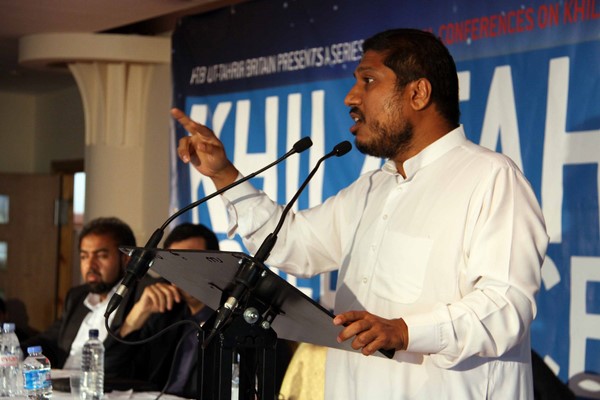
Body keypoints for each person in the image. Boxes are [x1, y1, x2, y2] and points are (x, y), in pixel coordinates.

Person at [172, 28, 549, 399]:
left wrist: (406, 331)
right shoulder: (372, 188)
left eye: (368, 80)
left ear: (418, 93)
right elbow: (290, 245)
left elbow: (506, 308)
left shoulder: (491, 178)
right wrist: (224, 175)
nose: (351, 97)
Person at [21, 217, 154, 373]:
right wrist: (14, 351)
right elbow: (49, 341)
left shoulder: (143, 295)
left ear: (126, 259)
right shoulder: (76, 296)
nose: (90, 265)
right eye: (84, 256)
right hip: (62, 384)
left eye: (101, 256)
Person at [115, 222, 219, 397]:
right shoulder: (164, 313)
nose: (183, 273)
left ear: (216, 265)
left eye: (192, 263)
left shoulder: (235, 320)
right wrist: (135, 318)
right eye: (175, 264)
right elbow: (112, 372)